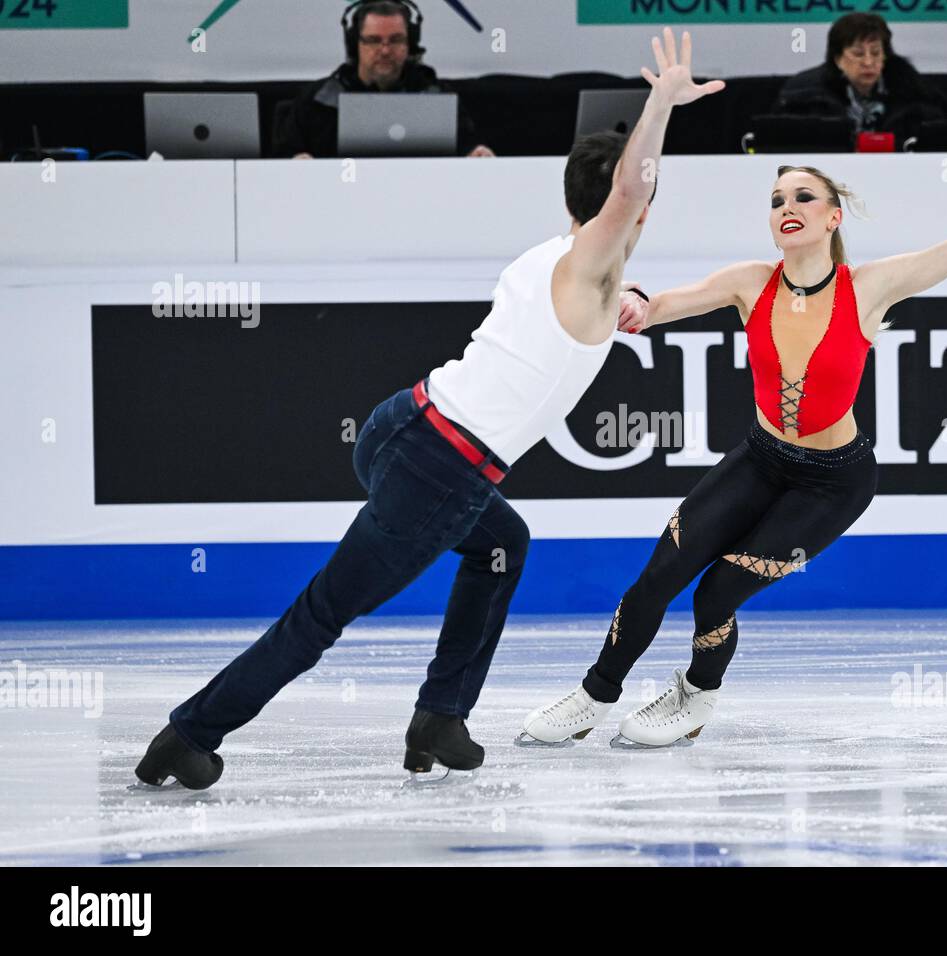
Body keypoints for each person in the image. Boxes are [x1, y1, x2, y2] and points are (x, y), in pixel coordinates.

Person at [135, 28, 724, 789]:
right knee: (321, 615)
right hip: (440, 468)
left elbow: (593, 280)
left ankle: (442, 716)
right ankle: (188, 735)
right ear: (627, 211)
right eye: (634, 203)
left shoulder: (552, 258)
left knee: (502, 544)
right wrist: (661, 106)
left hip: (401, 425)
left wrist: (631, 298)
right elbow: (631, 192)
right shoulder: (592, 265)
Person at [520, 148, 947, 749]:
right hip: (760, 460)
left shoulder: (870, 287)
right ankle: (593, 696)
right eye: (775, 200)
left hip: (833, 483)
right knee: (659, 576)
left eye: (802, 196)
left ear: (832, 216)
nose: (786, 206)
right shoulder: (750, 282)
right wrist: (631, 299)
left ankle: (695, 697)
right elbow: (657, 306)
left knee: (716, 594)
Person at [273, 0, 494, 159]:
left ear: (411, 45)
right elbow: (283, 155)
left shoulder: (436, 95)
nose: (385, 50)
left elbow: (468, 146)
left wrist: (476, 154)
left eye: (396, 40)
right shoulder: (319, 99)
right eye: (373, 40)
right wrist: (295, 162)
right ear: (355, 45)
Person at [770, 12, 947, 149]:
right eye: (858, 54)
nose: (869, 62)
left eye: (876, 53)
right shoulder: (804, 93)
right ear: (838, 59)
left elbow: (937, 138)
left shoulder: (914, 90)